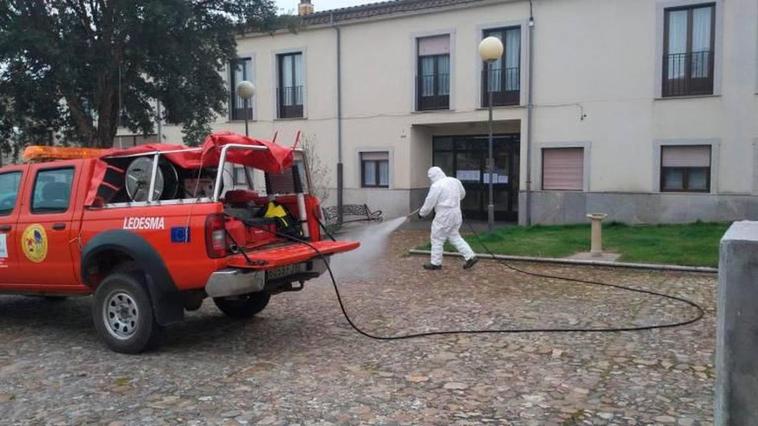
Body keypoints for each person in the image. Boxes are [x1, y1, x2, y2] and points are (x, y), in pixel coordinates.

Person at [418, 166, 478, 270]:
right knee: (454, 236)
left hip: (444, 215)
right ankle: (470, 256)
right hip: (456, 213)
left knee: (437, 238)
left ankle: (435, 263)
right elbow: (462, 194)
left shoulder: (436, 186)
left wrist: (422, 213)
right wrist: (452, 199)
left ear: (432, 177)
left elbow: (429, 202)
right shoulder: (454, 181)